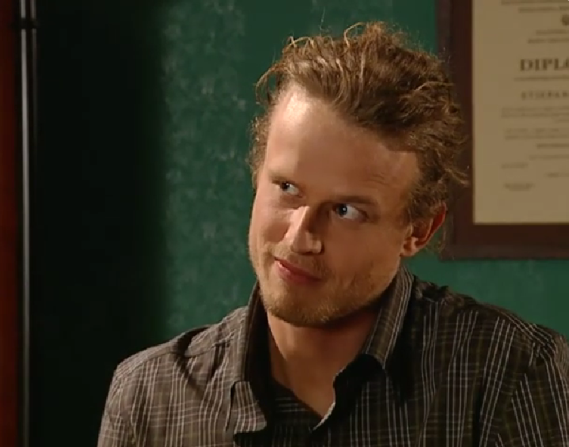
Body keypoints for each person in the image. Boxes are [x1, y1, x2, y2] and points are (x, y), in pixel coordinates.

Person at [97, 22, 569, 446]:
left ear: (419, 230)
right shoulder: (150, 397)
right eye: (287, 188)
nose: (300, 237)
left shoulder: (512, 375)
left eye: (346, 211)